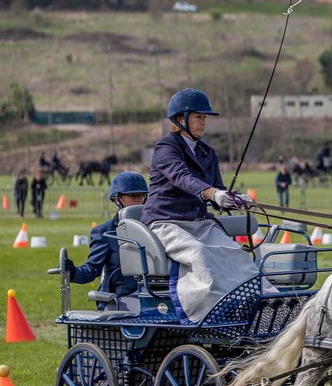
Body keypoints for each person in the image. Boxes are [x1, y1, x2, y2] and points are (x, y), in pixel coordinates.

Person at [141, 88, 275, 324]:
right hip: (166, 221)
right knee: (200, 254)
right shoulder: (166, 148)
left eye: (204, 118)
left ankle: (267, 301)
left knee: (235, 253)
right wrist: (211, 193)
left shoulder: (207, 152)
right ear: (180, 120)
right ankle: (205, 312)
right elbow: (182, 177)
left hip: (199, 222)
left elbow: (218, 188)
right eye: (198, 117)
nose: (203, 122)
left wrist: (234, 198)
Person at [64, 172, 148, 311]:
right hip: (120, 297)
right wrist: (72, 272)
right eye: (133, 196)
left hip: (152, 295)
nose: (139, 200)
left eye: (142, 195)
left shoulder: (155, 227)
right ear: (117, 199)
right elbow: (91, 270)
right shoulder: (105, 232)